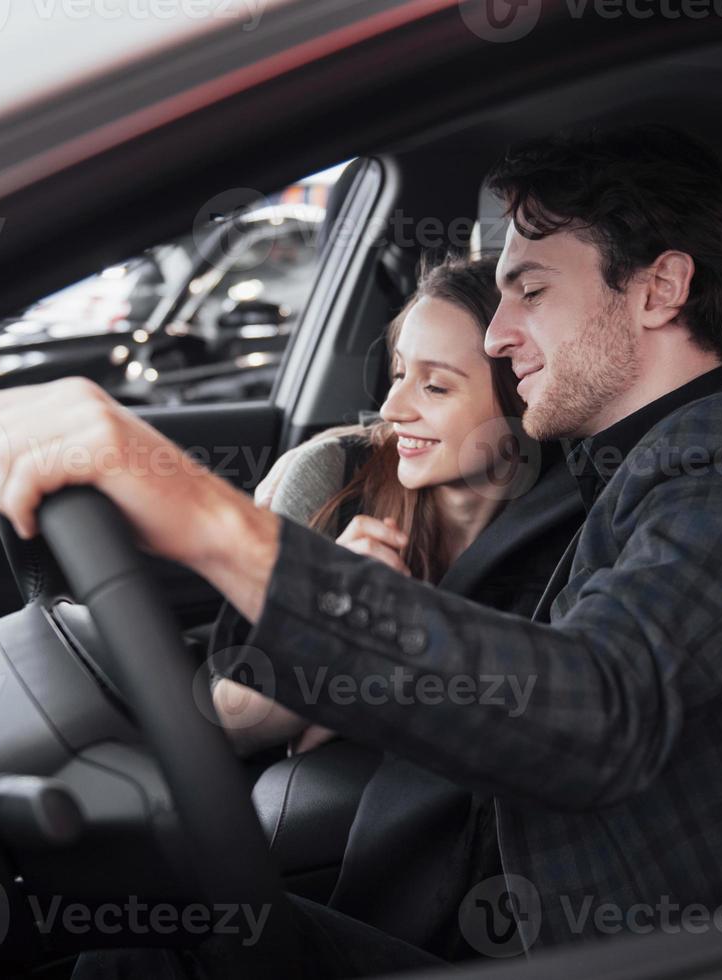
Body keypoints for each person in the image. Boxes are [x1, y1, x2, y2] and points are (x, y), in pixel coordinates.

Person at [0, 125, 722, 973]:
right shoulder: (637, 467)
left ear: (660, 286)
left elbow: (598, 714)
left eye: (529, 290)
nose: (496, 336)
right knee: (166, 927)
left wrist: (210, 521)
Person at [208, 256, 580, 960]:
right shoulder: (333, 478)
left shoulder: (572, 528)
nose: (393, 407)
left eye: (434, 385)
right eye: (398, 372)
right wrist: (328, 630)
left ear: (521, 396)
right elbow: (227, 717)